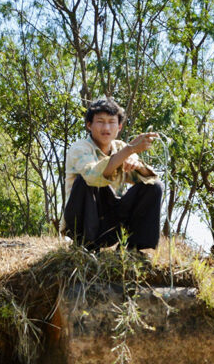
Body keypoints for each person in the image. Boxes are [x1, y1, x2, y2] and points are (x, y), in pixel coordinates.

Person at [61, 98, 163, 250]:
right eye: (100, 121)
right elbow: (92, 176)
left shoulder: (121, 147)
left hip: (112, 224)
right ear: (89, 125)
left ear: (119, 127)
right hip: (82, 223)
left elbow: (148, 178)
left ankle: (133, 248)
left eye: (111, 122)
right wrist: (129, 150)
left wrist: (138, 166)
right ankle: (86, 247)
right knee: (85, 180)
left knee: (154, 186)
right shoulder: (80, 148)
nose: (106, 127)